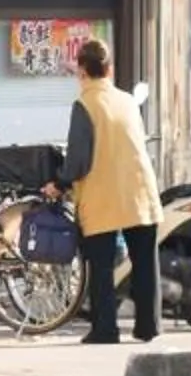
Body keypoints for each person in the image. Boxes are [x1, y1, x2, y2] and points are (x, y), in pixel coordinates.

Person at [55, 37, 158, 346]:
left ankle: (105, 329)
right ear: (109, 69)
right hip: (140, 190)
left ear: (81, 70)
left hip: (103, 195)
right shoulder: (127, 101)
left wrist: (59, 182)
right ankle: (148, 326)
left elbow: (78, 159)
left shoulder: (85, 104)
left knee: (100, 266)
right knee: (144, 262)